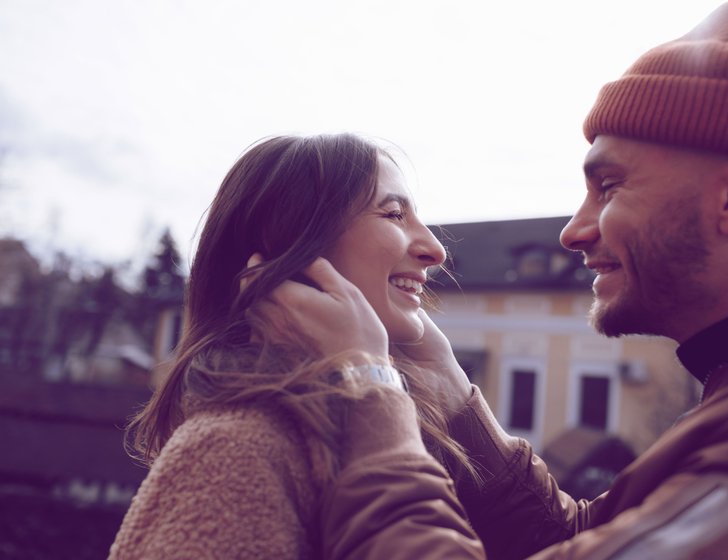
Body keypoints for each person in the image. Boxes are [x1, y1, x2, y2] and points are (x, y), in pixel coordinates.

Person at [267, 1, 728, 558]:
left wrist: (370, 391)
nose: (572, 232)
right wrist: (444, 377)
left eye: (609, 186)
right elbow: (574, 542)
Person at [108, 133, 480, 558]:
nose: (436, 250)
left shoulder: (401, 434)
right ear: (296, 241)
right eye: (394, 213)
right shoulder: (237, 449)